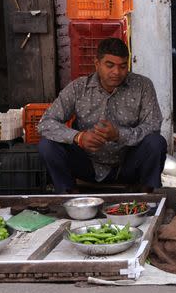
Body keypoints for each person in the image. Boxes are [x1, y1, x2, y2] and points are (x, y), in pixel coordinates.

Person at [38, 38, 166, 194]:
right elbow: (45, 123)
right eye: (110, 65)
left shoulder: (143, 86)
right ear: (97, 64)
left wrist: (119, 134)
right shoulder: (79, 87)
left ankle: (145, 196)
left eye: (123, 66)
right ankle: (69, 195)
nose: (117, 72)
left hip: (127, 164)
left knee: (156, 142)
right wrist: (79, 137)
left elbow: (153, 125)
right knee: (48, 145)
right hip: (87, 164)